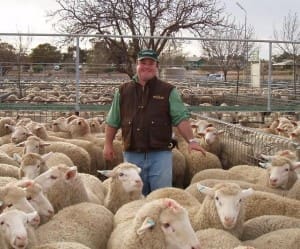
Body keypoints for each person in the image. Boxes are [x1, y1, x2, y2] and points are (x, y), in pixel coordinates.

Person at [103, 49, 206, 195]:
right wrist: (107, 144)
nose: (147, 66)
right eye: (143, 63)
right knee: (133, 196)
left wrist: (192, 141)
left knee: (161, 196)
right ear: (136, 65)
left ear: (156, 66)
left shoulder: (168, 91)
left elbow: (181, 118)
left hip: (160, 154)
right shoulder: (123, 91)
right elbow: (113, 120)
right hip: (133, 154)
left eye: (151, 63)